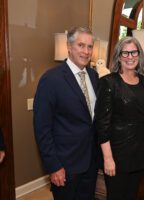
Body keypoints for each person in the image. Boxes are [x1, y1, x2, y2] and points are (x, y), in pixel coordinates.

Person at [33, 27, 99, 200]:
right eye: (81, 45)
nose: (86, 51)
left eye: (90, 46)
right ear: (69, 47)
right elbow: (42, 128)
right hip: (65, 165)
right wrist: (54, 166)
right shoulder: (51, 79)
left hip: (90, 162)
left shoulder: (93, 76)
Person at [94, 37, 144, 200]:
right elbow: (102, 124)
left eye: (133, 52)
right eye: (125, 53)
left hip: (139, 154)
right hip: (117, 156)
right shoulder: (109, 82)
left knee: (132, 196)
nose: (129, 56)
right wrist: (108, 159)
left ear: (139, 55)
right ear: (119, 57)